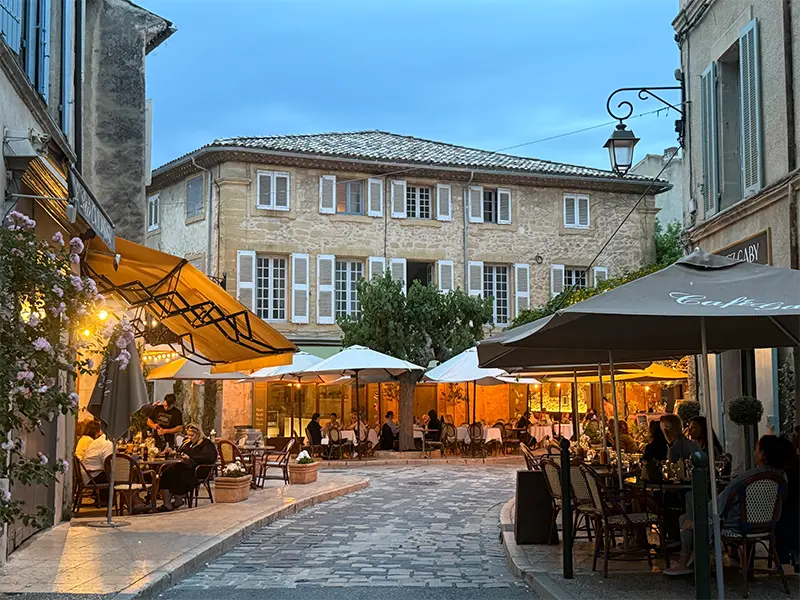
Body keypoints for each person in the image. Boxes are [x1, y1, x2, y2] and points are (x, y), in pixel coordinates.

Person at [664, 435, 793, 576]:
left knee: (686, 518)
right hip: (767, 524)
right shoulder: (782, 477)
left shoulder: (748, 476)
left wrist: (699, 518)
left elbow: (721, 502)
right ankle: (691, 561)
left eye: (756, 449)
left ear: (763, 454)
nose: (754, 452)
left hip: (735, 524)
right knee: (691, 503)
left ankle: (686, 563)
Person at [157, 423, 217, 512]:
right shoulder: (187, 443)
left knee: (181, 476)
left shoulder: (206, 444)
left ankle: (178, 501)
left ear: (198, 434)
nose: (189, 437)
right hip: (185, 466)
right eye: (188, 435)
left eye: (192, 435)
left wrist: (191, 458)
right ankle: (167, 504)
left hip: (198, 469)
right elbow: (180, 452)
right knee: (167, 472)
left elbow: (209, 457)